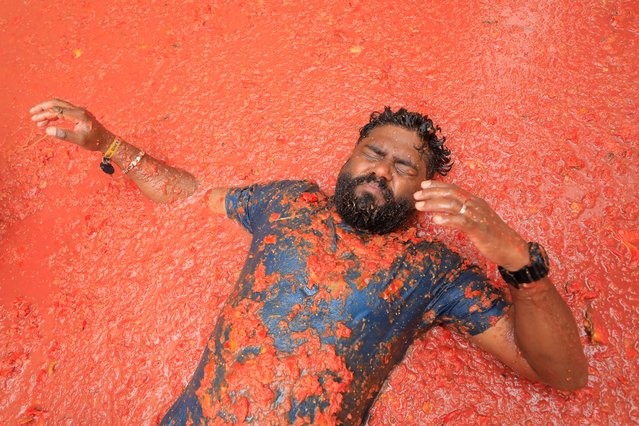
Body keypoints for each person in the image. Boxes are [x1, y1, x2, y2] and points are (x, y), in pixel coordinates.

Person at [30, 99, 588, 424]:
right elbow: (189, 194)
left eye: (404, 166)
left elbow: (562, 374)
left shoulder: (434, 270)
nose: (380, 171)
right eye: (373, 152)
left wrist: (514, 256)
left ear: (424, 192)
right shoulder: (290, 203)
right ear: (349, 156)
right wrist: (104, 140)